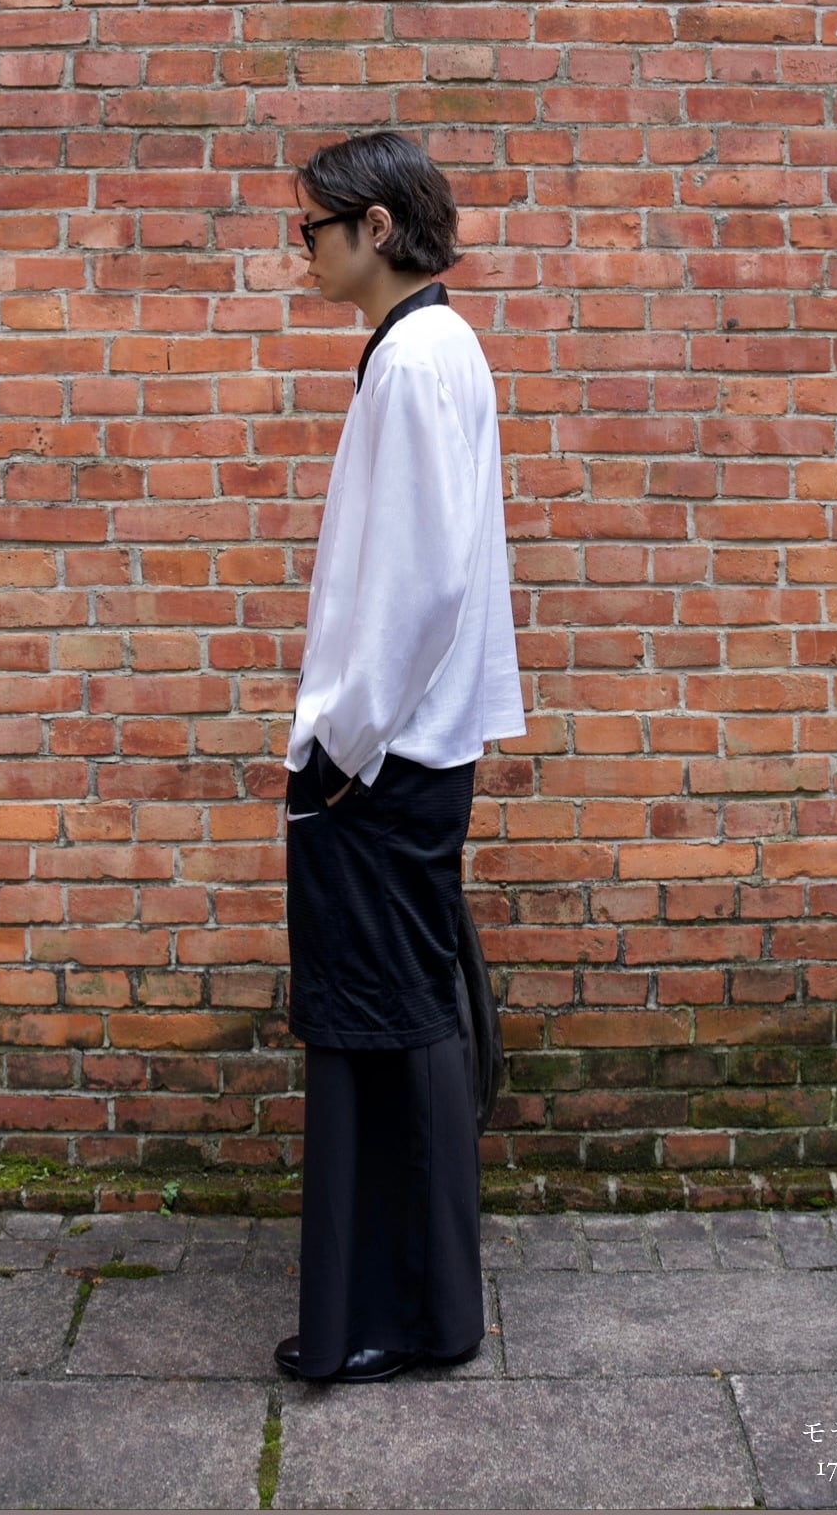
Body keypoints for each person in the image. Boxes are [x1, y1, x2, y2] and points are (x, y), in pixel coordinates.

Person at [274, 131, 525, 1385]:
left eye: (312, 228)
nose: (302, 252)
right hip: (396, 754)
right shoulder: (428, 348)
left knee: (392, 1021)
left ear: (376, 227)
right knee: (392, 1016)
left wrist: (343, 746)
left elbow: (424, 586)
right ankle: (401, 1304)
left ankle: (405, 1315)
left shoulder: (420, 359)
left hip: (381, 761)